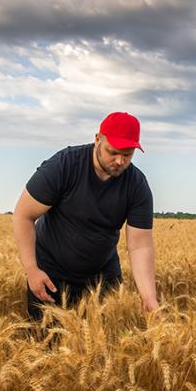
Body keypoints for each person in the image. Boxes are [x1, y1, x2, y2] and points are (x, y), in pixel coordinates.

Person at [12, 111, 159, 320]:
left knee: (108, 344)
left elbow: (140, 245)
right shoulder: (63, 166)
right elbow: (23, 215)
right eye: (113, 152)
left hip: (102, 274)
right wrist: (32, 270)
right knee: (46, 344)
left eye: (127, 155)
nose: (119, 161)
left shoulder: (136, 185)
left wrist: (149, 297)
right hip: (51, 272)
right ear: (98, 139)